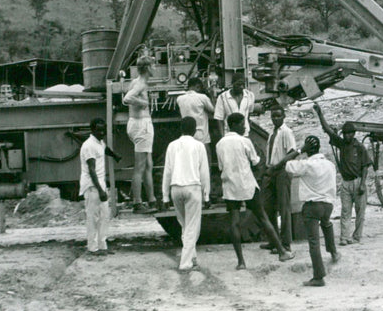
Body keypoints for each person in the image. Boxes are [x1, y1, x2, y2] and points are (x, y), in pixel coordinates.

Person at [216, 113, 295, 269]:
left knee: (234, 223)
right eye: (242, 124)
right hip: (247, 185)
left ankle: (241, 262)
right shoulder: (245, 141)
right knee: (263, 217)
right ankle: (282, 252)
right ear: (236, 125)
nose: (245, 127)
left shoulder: (220, 144)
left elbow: (220, 167)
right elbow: (256, 162)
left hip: (230, 187)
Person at [285, 135, 340, 287]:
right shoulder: (330, 165)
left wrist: (298, 150)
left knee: (314, 242)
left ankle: (318, 276)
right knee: (326, 224)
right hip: (328, 205)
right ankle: (333, 251)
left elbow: (287, 164)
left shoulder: (307, 164)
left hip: (312, 206)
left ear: (307, 150)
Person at [314, 104, 372, 245]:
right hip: (346, 183)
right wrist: (320, 114)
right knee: (345, 212)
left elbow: (365, 166)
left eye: (349, 133)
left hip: (358, 182)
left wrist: (363, 184)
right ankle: (344, 238)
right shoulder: (342, 144)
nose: (346, 136)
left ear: (353, 134)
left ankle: (357, 237)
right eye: (345, 133)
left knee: (360, 213)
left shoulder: (360, 147)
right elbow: (328, 130)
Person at [162, 116, 210, 272]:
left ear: (180, 129)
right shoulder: (199, 146)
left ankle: (193, 256)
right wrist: (207, 194)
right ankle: (185, 262)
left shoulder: (171, 146)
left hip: (175, 187)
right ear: (195, 130)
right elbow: (204, 172)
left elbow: (167, 171)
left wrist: (165, 196)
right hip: (192, 187)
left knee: (184, 225)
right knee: (192, 227)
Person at [122, 55, 159, 214]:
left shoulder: (136, 81)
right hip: (141, 125)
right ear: (148, 68)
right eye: (153, 65)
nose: (155, 68)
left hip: (136, 123)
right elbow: (127, 98)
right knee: (141, 166)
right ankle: (137, 202)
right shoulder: (141, 84)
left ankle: (151, 200)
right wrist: (143, 103)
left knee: (148, 164)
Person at [260, 105, 299, 254]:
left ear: (283, 117)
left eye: (278, 116)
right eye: (273, 116)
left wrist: (277, 166)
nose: (275, 118)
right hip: (271, 172)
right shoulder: (272, 134)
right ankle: (273, 240)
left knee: (284, 208)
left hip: (282, 171)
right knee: (268, 207)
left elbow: (292, 152)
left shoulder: (286, 132)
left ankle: (286, 243)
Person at [79, 117, 120, 256]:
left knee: (104, 216)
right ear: (93, 130)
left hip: (99, 183)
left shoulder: (98, 142)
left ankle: (102, 246)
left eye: (104, 130)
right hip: (93, 185)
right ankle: (92, 248)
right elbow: (92, 170)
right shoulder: (89, 146)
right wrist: (101, 190)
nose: (102, 132)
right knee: (93, 217)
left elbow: (104, 149)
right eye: (99, 130)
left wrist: (115, 156)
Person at [176, 77, 215, 161]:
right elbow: (213, 110)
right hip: (201, 132)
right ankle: (208, 172)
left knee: (189, 157)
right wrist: (212, 95)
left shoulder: (179, 99)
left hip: (187, 132)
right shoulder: (202, 97)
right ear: (197, 86)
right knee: (205, 154)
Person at [214, 72, 255, 137]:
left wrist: (247, 128)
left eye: (243, 84)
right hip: (229, 134)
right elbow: (219, 119)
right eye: (238, 84)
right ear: (232, 84)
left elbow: (249, 114)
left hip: (245, 134)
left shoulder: (250, 95)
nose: (241, 87)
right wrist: (222, 136)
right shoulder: (222, 97)